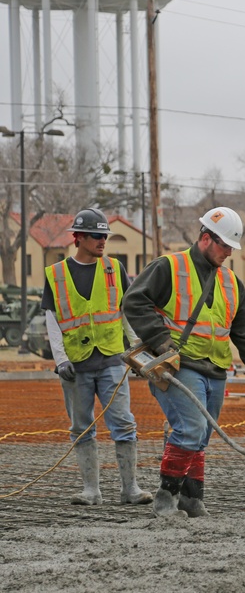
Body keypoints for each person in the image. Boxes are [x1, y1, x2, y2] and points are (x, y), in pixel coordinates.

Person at [122, 206, 245, 519]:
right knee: (191, 429)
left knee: (201, 435)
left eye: (232, 247)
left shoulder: (231, 282)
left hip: (215, 370)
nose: (230, 253)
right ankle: (166, 499)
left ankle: (191, 499)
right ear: (206, 238)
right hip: (179, 367)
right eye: (225, 245)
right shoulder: (169, 266)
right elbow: (134, 301)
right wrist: (161, 340)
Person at [43, 207, 153, 506]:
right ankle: (91, 490)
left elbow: (125, 312)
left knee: (124, 423)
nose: (103, 241)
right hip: (76, 366)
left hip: (111, 361)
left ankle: (129, 488)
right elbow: (52, 320)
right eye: (96, 236)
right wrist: (61, 359)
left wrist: (136, 351)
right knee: (81, 427)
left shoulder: (114, 269)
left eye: (105, 236)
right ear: (78, 238)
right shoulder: (57, 275)